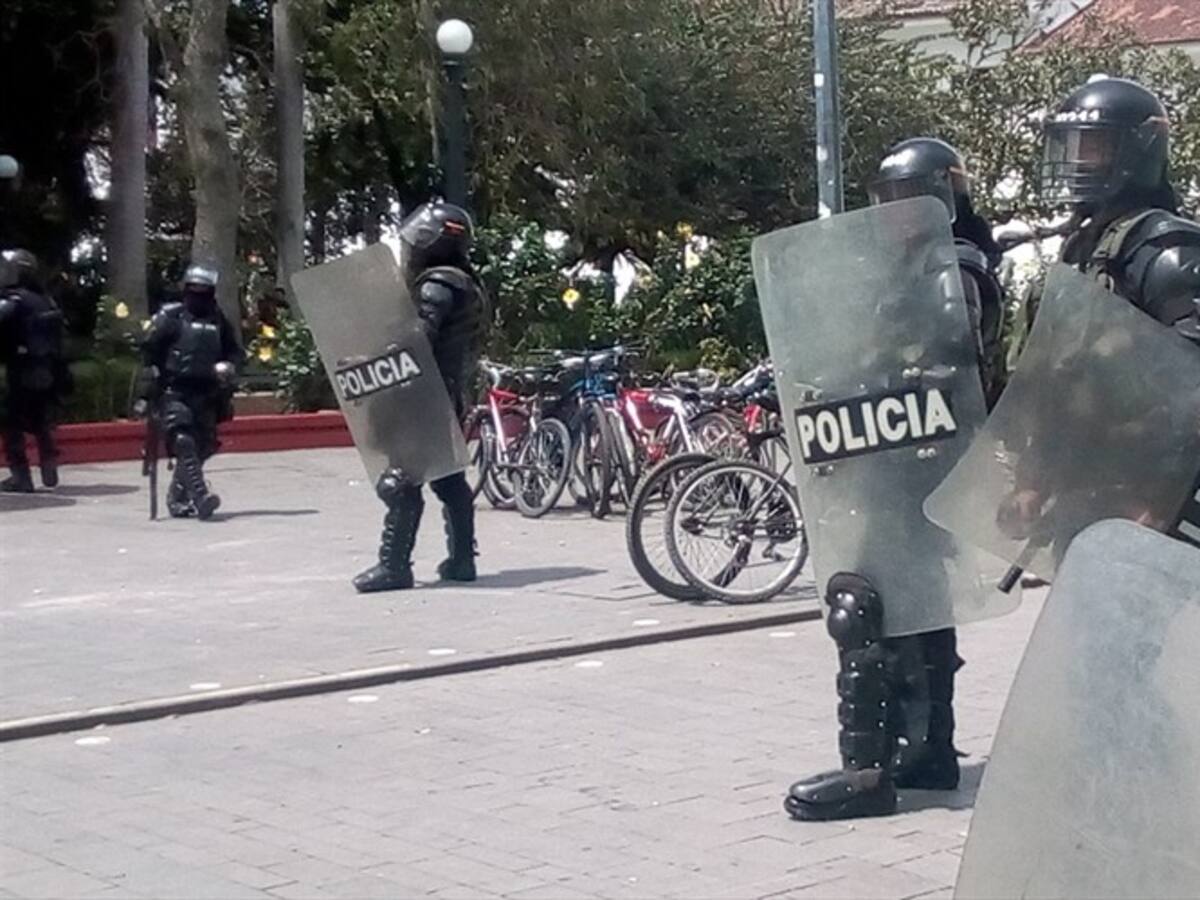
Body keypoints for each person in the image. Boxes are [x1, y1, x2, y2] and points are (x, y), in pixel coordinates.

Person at [786, 139, 1006, 822]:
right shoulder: (921, 266)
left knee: (861, 604)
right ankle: (928, 751)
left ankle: (869, 772)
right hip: (907, 461)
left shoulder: (950, 269)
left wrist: (878, 392)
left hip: (915, 459)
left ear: (944, 195)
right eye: (886, 202)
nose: (894, 216)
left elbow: (951, 364)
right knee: (918, 604)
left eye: (907, 199)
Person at [353, 201, 490, 593]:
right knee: (449, 481)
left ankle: (394, 565)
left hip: (422, 395)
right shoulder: (468, 282)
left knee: (402, 481)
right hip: (449, 391)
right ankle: (462, 559)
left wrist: (372, 359)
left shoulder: (438, 284)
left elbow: (419, 338)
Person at [139, 264, 241, 520]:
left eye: (204, 291)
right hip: (174, 390)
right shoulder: (170, 317)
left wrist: (229, 366)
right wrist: (148, 386)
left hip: (207, 393)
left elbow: (235, 352)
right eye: (194, 290)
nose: (199, 296)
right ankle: (200, 496)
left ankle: (178, 496)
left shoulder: (218, 320)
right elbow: (148, 350)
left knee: (204, 446)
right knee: (184, 441)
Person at [0, 249, 67, 492]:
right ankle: (48, 461)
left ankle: (21, 475)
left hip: (23, 369)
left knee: (10, 422)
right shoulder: (45, 300)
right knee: (39, 420)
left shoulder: (15, 300)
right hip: (48, 371)